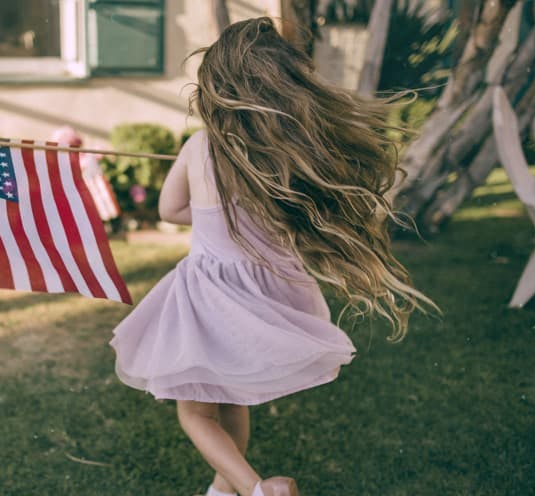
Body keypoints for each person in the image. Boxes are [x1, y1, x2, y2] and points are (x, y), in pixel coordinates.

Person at [108, 17, 437, 496]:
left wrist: (205, 206)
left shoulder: (201, 145)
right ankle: (225, 492)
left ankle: (260, 489)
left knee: (195, 413)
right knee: (231, 402)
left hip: (214, 297)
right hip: (271, 295)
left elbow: (169, 209)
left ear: (215, 87)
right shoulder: (287, 153)